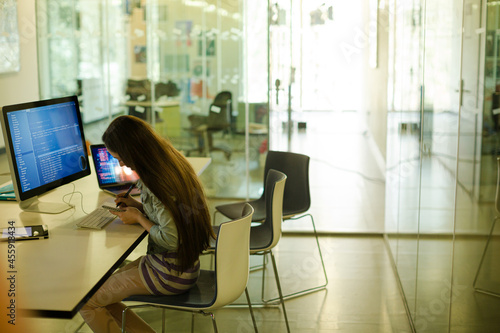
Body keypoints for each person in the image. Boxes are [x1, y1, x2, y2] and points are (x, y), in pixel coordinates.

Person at [80, 115, 215, 333]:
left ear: (133, 150)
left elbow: (171, 239)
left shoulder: (155, 182)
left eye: (120, 158)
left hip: (168, 273)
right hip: (185, 266)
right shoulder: (170, 163)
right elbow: (172, 217)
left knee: (86, 301)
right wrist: (138, 206)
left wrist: (139, 218)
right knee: (101, 294)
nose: (121, 163)